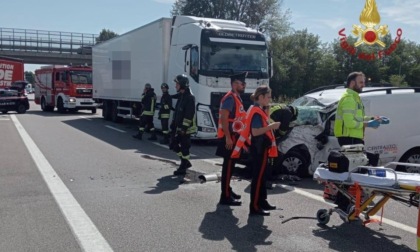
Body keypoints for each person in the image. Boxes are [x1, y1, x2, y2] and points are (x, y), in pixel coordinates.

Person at [232, 86, 280, 216]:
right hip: (259, 148)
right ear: (261, 97)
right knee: (258, 178)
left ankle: (262, 201)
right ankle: (255, 207)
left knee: (262, 176)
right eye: (268, 97)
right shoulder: (256, 111)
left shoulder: (259, 109)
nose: (270, 99)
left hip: (261, 148)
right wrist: (272, 126)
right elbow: (255, 131)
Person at [215, 72, 248, 206]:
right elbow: (224, 117)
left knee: (231, 165)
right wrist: (228, 137)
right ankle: (225, 196)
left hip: (234, 137)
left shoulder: (236, 97)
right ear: (235, 84)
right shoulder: (230, 98)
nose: (244, 85)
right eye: (242, 83)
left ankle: (228, 190)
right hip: (229, 138)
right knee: (228, 167)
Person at [171, 74, 196, 175]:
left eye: (177, 84)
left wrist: (184, 128)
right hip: (179, 126)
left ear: (181, 84)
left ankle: (183, 167)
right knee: (173, 144)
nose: (175, 86)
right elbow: (178, 112)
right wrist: (174, 123)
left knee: (185, 148)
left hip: (186, 128)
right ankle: (186, 162)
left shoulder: (189, 97)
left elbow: (189, 115)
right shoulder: (182, 95)